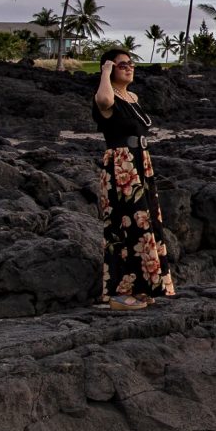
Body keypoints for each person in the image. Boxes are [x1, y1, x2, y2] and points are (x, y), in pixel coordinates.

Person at [91, 50, 176, 306]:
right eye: (122, 65)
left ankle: (141, 288)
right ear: (110, 68)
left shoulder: (132, 97)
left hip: (141, 162)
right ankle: (119, 293)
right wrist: (105, 72)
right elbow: (104, 101)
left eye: (131, 64)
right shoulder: (106, 96)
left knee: (145, 224)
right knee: (124, 225)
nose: (129, 68)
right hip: (121, 165)